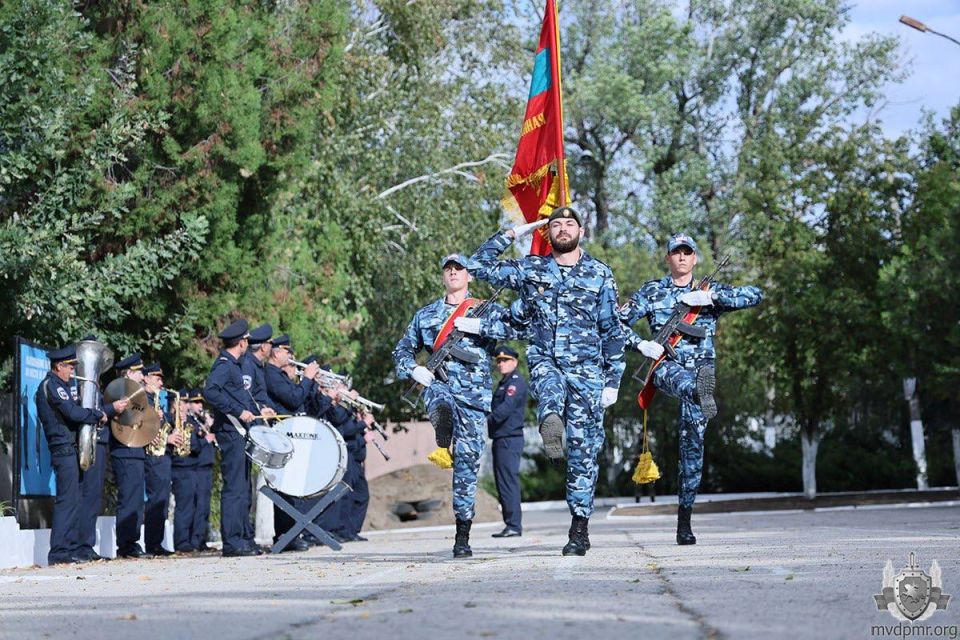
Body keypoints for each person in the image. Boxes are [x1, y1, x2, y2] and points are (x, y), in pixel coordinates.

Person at [463, 207, 625, 556]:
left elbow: (611, 329)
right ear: (547, 233)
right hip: (546, 360)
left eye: (569, 224)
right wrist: (514, 233)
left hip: (588, 371)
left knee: (585, 450)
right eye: (555, 224)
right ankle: (551, 421)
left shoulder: (599, 274)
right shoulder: (532, 268)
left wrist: (614, 379)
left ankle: (579, 529)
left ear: (581, 232)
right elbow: (476, 266)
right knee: (549, 392)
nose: (562, 229)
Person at [620, 232, 762, 545]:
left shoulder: (709, 291)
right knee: (686, 385)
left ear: (695, 258)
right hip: (665, 368)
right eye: (676, 253)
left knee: (692, 447)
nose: (682, 257)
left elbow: (755, 294)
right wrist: (640, 344)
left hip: (702, 372)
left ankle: (684, 523)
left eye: (687, 252)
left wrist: (712, 299)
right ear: (668, 258)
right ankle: (699, 391)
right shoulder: (652, 291)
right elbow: (616, 322)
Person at [392, 253, 511, 558]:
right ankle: (441, 423)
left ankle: (462, 535)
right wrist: (412, 368)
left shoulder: (486, 310)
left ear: (470, 276)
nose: (454, 272)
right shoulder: (427, 315)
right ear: (443, 277)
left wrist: (478, 328)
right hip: (441, 385)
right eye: (448, 269)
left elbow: (514, 329)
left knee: (468, 464)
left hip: (473, 399)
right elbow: (402, 349)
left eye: (460, 269)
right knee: (438, 397)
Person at [35, 345, 126, 565]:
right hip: (63, 448)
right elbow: (73, 413)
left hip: (70, 449)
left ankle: (67, 549)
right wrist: (99, 414)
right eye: (70, 366)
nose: (73, 371)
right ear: (59, 366)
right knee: (67, 501)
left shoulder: (59, 385)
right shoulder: (52, 386)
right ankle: (58, 552)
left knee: (73, 500)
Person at [203, 319, 262, 557]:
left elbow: (240, 398)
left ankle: (243, 537)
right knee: (234, 488)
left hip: (240, 432)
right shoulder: (225, 365)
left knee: (242, 487)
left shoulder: (235, 366)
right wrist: (238, 412)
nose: (248, 344)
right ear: (241, 342)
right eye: (247, 340)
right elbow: (211, 391)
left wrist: (257, 412)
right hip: (230, 432)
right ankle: (232, 542)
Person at [263, 334, 318, 552]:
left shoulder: (280, 374)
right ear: (276, 352)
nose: (291, 356)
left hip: (292, 434)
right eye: (287, 351)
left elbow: (299, 399)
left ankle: (294, 532)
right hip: (282, 435)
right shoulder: (272, 374)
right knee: (286, 488)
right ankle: (286, 534)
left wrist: (303, 382)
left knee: (295, 487)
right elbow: (294, 399)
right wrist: (306, 379)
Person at [75, 335, 113, 562]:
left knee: (93, 496)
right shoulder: (80, 387)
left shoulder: (96, 388)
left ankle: (86, 544)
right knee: (87, 496)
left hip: (97, 443)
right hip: (87, 443)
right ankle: (82, 544)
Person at [110, 353, 150, 558]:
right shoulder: (119, 393)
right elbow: (122, 420)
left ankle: (132, 542)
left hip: (136, 450)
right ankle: (125, 545)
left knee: (136, 501)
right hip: (124, 450)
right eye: (140, 372)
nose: (143, 376)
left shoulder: (137, 395)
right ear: (130, 373)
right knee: (128, 499)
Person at [487, 345, 528, 538]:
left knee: (508, 482)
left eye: (505, 360)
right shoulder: (504, 383)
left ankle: (513, 525)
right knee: (503, 482)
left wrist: (484, 420)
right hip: (501, 438)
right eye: (499, 361)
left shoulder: (515, 383)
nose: (501, 364)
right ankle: (510, 524)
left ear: (515, 362)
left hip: (509, 439)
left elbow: (505, 409)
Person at [142, 363, 181, 556]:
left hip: (163, 455)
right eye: (157, 378)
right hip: (153, 454)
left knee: (162, 500)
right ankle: (152, 543)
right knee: (156, 499)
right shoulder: (143, 400)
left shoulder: (156, 401)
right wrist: (168, 438)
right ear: (146, 378)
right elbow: (145, 430)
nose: (160, 382)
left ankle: (157, 542)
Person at [170, 389, 201, 552]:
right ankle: (181, 542)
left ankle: (188, 540)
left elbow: (197, 445)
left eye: (185, 403)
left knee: (190, 505)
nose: (183, 407)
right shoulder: (170, 420)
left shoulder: (190, 422)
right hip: (177, 465)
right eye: (180, 403)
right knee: (183, 506)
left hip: (190, 466)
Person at [188, 389, 217, 551]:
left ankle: (201, 538)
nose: (199, 406)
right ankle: (195, 540)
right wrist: (206, 439)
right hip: (198, 466)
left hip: (207, 464)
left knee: (204, 505)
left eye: (200, 403)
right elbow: (194, 444)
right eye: (196, 402)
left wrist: (209, 426)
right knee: (198, 504)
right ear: (189, 405)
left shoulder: (200, 421)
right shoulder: (191, 422)